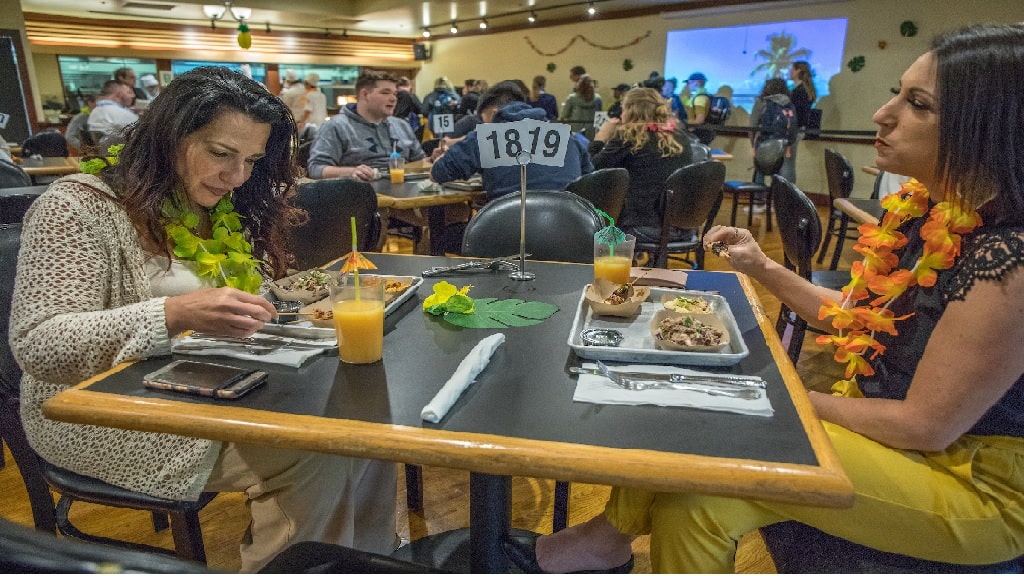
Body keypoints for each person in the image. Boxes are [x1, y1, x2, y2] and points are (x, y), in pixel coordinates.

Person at [531, 22, 1024, 573]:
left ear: (988, 127)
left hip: (977, 485)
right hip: (907, 440)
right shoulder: (931, 213)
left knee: (718, 420)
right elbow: (855, 318)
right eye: (896, 93)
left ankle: (604, 539)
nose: (883, 114)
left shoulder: (1008, 257)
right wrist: (761, 265)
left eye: (918, 104)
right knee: (695, 497)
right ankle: (606, 540)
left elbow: (925, 425)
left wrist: (754, 393)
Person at [10, 66, 398, 572]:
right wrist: (173, 314)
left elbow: (246, 290)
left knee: (364, 429)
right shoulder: (77, 206)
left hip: (208, 384)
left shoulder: (218, 202)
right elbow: (39, 344)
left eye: (252, 160)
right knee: (313, 451)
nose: (237, 176)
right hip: (97, 412)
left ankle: (364, 563)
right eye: (220, 154)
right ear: (167, 135)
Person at [431, 90, 593, 201]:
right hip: (570, 236)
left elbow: (438, 173)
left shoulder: (486, 136)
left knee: (446, 232)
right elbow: (589, 180)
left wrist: (441, 157)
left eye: (484, 120)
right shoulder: (568, 136)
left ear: (494, 113)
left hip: (508, 235)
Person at [588, 87, 693, 240]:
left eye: (623, 109)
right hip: (681, 224)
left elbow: (592, 168)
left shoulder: (629, 135)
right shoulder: (679, 135)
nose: (621, 114)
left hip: (640, 224)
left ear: (631, 110)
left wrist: (601, 137)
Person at [307, 70, 424, 181]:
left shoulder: (401, 125)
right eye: (385, 93)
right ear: (365, 94)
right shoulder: (336, 126)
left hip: (406, 195)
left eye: (395, 94)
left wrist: (434, 159)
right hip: (361, 196)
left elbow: (421, 162)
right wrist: (352, 172)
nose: (393, 99)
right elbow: (316, 169)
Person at [749, 77, 797, 184]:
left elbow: (752, 125)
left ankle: (757, 197)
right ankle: (781, 197)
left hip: (765, 141)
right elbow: (793, 126)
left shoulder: (762, 102)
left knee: (760, 170)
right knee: (782, 172)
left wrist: (753, 144)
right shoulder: (789, 104)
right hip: (783, 143)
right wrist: (789, 144)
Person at [787, 60, 816, 184]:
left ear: (798, 70)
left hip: (793, 129)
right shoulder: (806, 90)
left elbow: (794, 113)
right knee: (789, 162)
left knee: (788, 163)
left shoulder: (799, 91)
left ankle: (786, 194)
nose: (790, 72)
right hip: (798, 129)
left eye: (792, 69)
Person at [560, 74, 603, 141]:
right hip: (592, 133)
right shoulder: (598, 99)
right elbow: (600, 118)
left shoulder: (572, 98)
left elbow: (564, 115)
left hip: (576, 133)